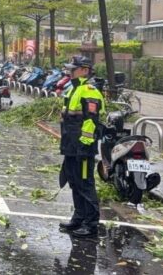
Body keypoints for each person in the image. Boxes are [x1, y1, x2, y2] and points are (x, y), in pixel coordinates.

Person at [58, 55, 104, 238]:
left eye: (73, 69)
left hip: (83, 147)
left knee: (85, 184)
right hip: (71, 146)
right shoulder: (74, 89)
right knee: (74, 182)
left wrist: (84, 146)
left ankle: (91, 224)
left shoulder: (89, 91)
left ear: (85, 70)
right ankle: (78, 218)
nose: (70, 72)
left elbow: (91, 122)